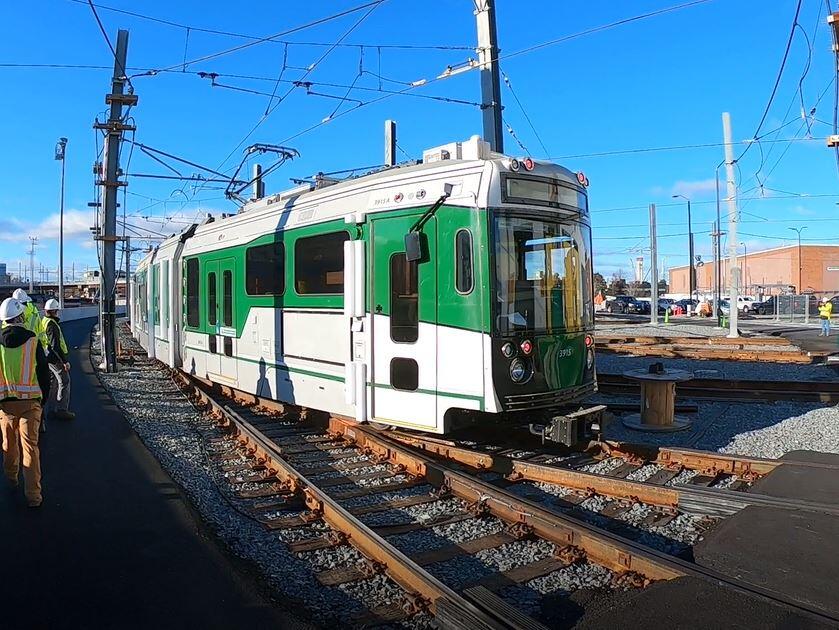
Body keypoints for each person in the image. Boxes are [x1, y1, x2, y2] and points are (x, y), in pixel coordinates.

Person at [0, 297, 51, 507]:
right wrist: (43, 399)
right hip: (31, 403)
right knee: (30, 448)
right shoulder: (33, 341)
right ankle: (33, 496)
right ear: (21, 316)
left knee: (8, 444)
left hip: (5, 404)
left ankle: (11, 478)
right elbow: (43, 373)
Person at [42, 299, 75, 420]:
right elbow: (55, 345)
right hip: (55, 359)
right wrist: (64, 361)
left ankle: (51, 410)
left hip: (47, 357)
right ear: (55, 311)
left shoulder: (44, 321)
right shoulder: (52, 324)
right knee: (65, 381)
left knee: (54, 383)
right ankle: (62, 409)